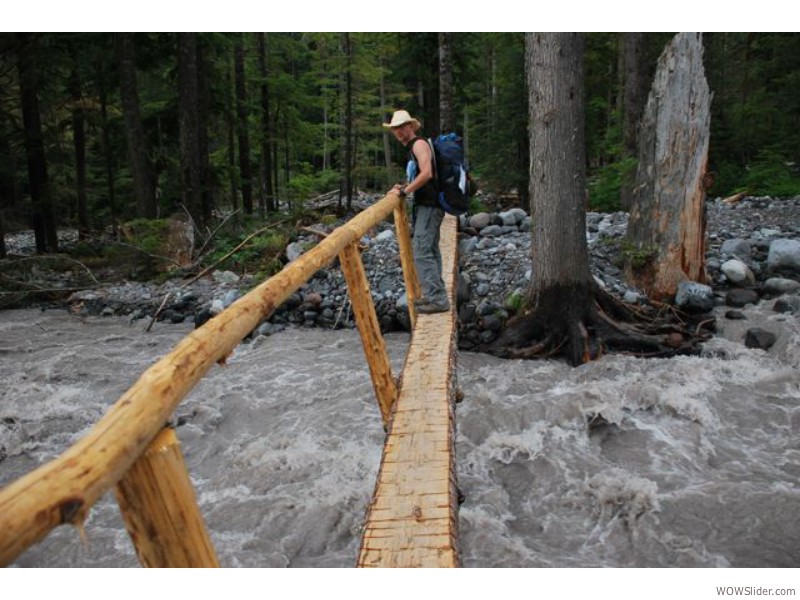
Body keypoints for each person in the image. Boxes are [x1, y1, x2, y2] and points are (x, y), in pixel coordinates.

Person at [383, 110, 450, 314]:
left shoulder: (418, 144)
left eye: (402, 127)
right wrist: (405, 185)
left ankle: (437, 299)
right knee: (430, 249)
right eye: (396, 128)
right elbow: (420, 175)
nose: (399, 131)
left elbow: (427, 173)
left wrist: (405, 190)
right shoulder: (414, 147)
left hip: (430, 205)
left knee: (421, 250)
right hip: (428, 205)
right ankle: (435, 295)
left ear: (411, 126)